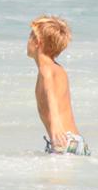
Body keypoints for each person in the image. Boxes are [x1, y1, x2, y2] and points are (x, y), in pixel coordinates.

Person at [27, 16, 90, 156]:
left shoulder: (46, 69)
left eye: (30, 36)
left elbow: (50, 91)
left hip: (63, 140)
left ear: (38, 42)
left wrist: (55, 123)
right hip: (74, 142)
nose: (27, 41)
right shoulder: (58, 69)